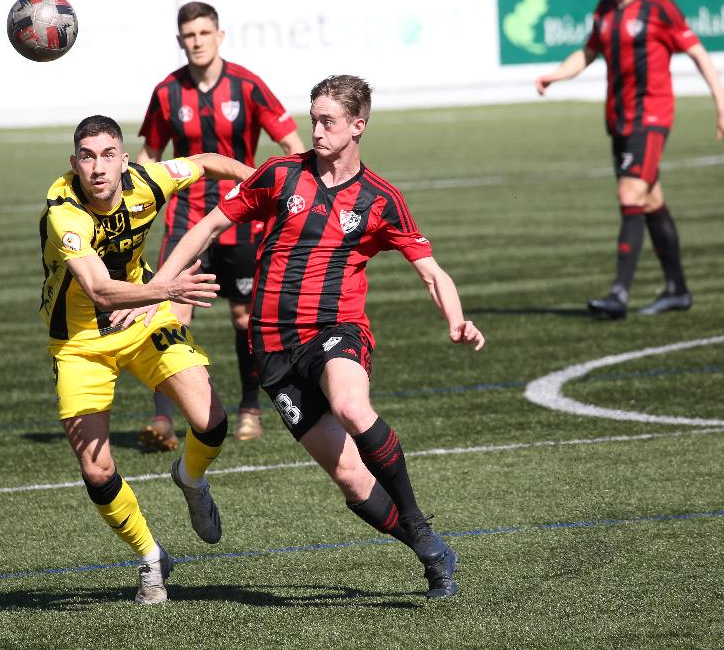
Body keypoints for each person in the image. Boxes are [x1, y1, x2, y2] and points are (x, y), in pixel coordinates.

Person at [150, 75, 484, 599]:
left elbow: (431, 271)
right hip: (273, 349)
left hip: (336, 330)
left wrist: (456, 319)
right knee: (351, 478)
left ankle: (418, 524)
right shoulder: (281, 176)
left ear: (358, 125)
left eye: (329, 121)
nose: (318, 130)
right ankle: (429, 550)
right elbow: (209, 225)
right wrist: (158, 285)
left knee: (352, 407)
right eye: (315, 119)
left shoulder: (380, 199)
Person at [40, 114, 252, 604]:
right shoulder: (64, 212)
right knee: (96, 470)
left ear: (125, 159)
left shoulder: (149, 180)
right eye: (87, 157)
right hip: (79, 343)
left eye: (108, 155)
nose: (98, 167)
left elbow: (205, 162)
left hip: (143, 321)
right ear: (74, 163)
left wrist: (260, 179)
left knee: (212, 421)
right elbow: (98, 288)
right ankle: (150, 558)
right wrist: (166, 290)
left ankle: (190, 478)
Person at [536, 0, 724, 319]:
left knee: (630, 194)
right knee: (650, 201)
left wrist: (723, 107)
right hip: (619, 120)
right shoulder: (605, 11)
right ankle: (677, 290)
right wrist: (555, 75)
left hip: (652, 118)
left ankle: (619, 295)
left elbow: (698, 53)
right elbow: (588, 52)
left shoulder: (661, 10)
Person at [136, 0, 305, 448]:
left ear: (219, 36)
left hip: (241, 217)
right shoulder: (167, 92)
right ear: (180, 41)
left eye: (204, 34)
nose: (196, 42)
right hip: (186, 216)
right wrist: (136, 200)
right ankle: (163, 420)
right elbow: (149, 155)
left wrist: (285, 193)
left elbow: (290, 142)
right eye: (188, 36)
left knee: (244, 316)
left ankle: (250, 408)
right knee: (170, 310)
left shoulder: (247, 86)